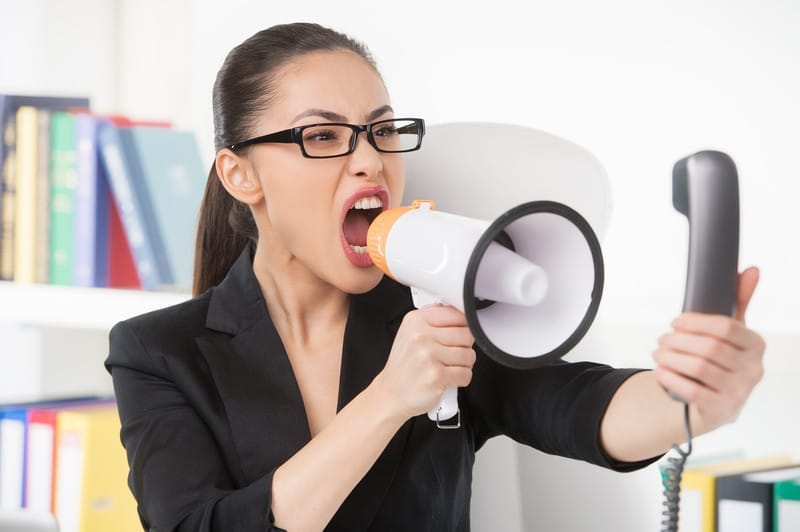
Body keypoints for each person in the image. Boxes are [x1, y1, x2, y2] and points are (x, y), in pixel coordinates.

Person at [104, 22, 766, 532]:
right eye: (323, 137)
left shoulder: (443, 316)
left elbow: (582, 405)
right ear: (239, 174)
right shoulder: (158, 353)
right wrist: (390, 398)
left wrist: (693, 395)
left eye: (382, 131)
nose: (369, 161)